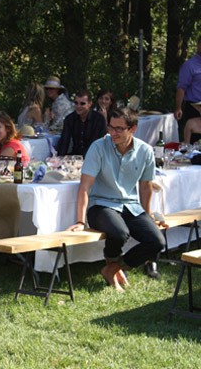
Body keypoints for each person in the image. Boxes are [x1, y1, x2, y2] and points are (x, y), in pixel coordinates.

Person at [67, 108, 166, 292]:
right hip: (101, 205)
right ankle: (113, 270)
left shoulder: (145, 150)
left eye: (119, 129)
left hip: (131, 206)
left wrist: (148, 213)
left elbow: (145, 186)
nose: (113, 133)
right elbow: (85, 186)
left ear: (133, 129)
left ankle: (113, 268)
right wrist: (80, 221)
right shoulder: (98, 146)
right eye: (111, 127)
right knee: (120, 232)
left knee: (157, 242)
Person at [56, 90, 107, 157]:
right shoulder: (69, 119)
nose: (78, 106)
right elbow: (64, 142)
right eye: (76, 103)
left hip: (94, 157)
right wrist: (60, 159)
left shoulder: (98, 119)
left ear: (90, 104)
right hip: (75, 156)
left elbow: (96, 143)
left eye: (82, 103)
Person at [174, 37, 201, 125]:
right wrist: (178, 108)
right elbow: (181, 87)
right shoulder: (189, 65)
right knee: (195, 138)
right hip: (194, 109)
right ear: (198, 45)